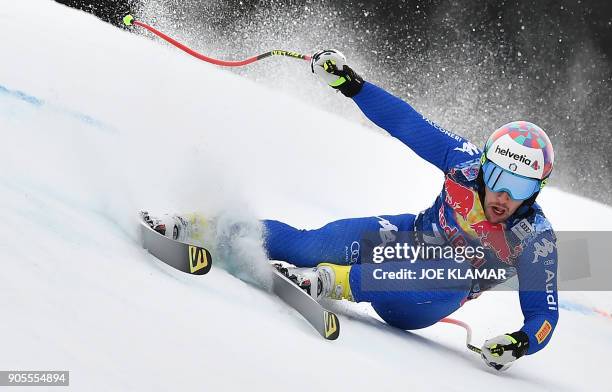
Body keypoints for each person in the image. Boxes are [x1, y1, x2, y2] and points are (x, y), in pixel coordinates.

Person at [148, 49, 558, 371]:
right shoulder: (462, 162)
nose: (503, 196)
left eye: (519, 186)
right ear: (484, 165)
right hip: (405, 238)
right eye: (497, 177)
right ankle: (201, 226)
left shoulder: (535, 239)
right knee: (310, 245)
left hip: (419, 301)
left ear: (536, 190)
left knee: (455, 272)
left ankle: (332, 282)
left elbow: (544, 315)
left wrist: (520, 343)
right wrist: (352, 85)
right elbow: (407, 123)